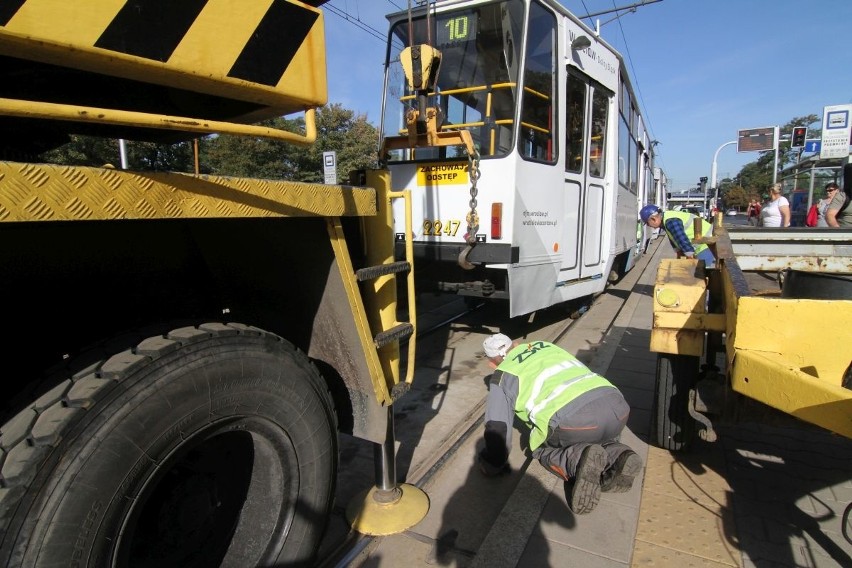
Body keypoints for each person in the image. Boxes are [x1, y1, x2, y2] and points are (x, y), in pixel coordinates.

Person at [478, 334, 641, 515]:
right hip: (616, 405)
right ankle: (618, 455)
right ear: (515, 344)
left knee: (541, 450)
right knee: (596, 436)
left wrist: (492, 463)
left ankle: (577, 462)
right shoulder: (544, 345)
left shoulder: (503, 374)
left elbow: (498, 427)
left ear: (492, 363)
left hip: (573, 421)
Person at [639, 204, 716, 267]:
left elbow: (682, 239)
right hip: (701, 245)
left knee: (700, 274)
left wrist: (690, 257)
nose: (649, 226)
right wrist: (678, 252)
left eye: (647, 223)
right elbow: (674, 238)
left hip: (705, 245)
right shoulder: (666, 219)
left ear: (653, 219)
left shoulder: (670, 221)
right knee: (696, 274)